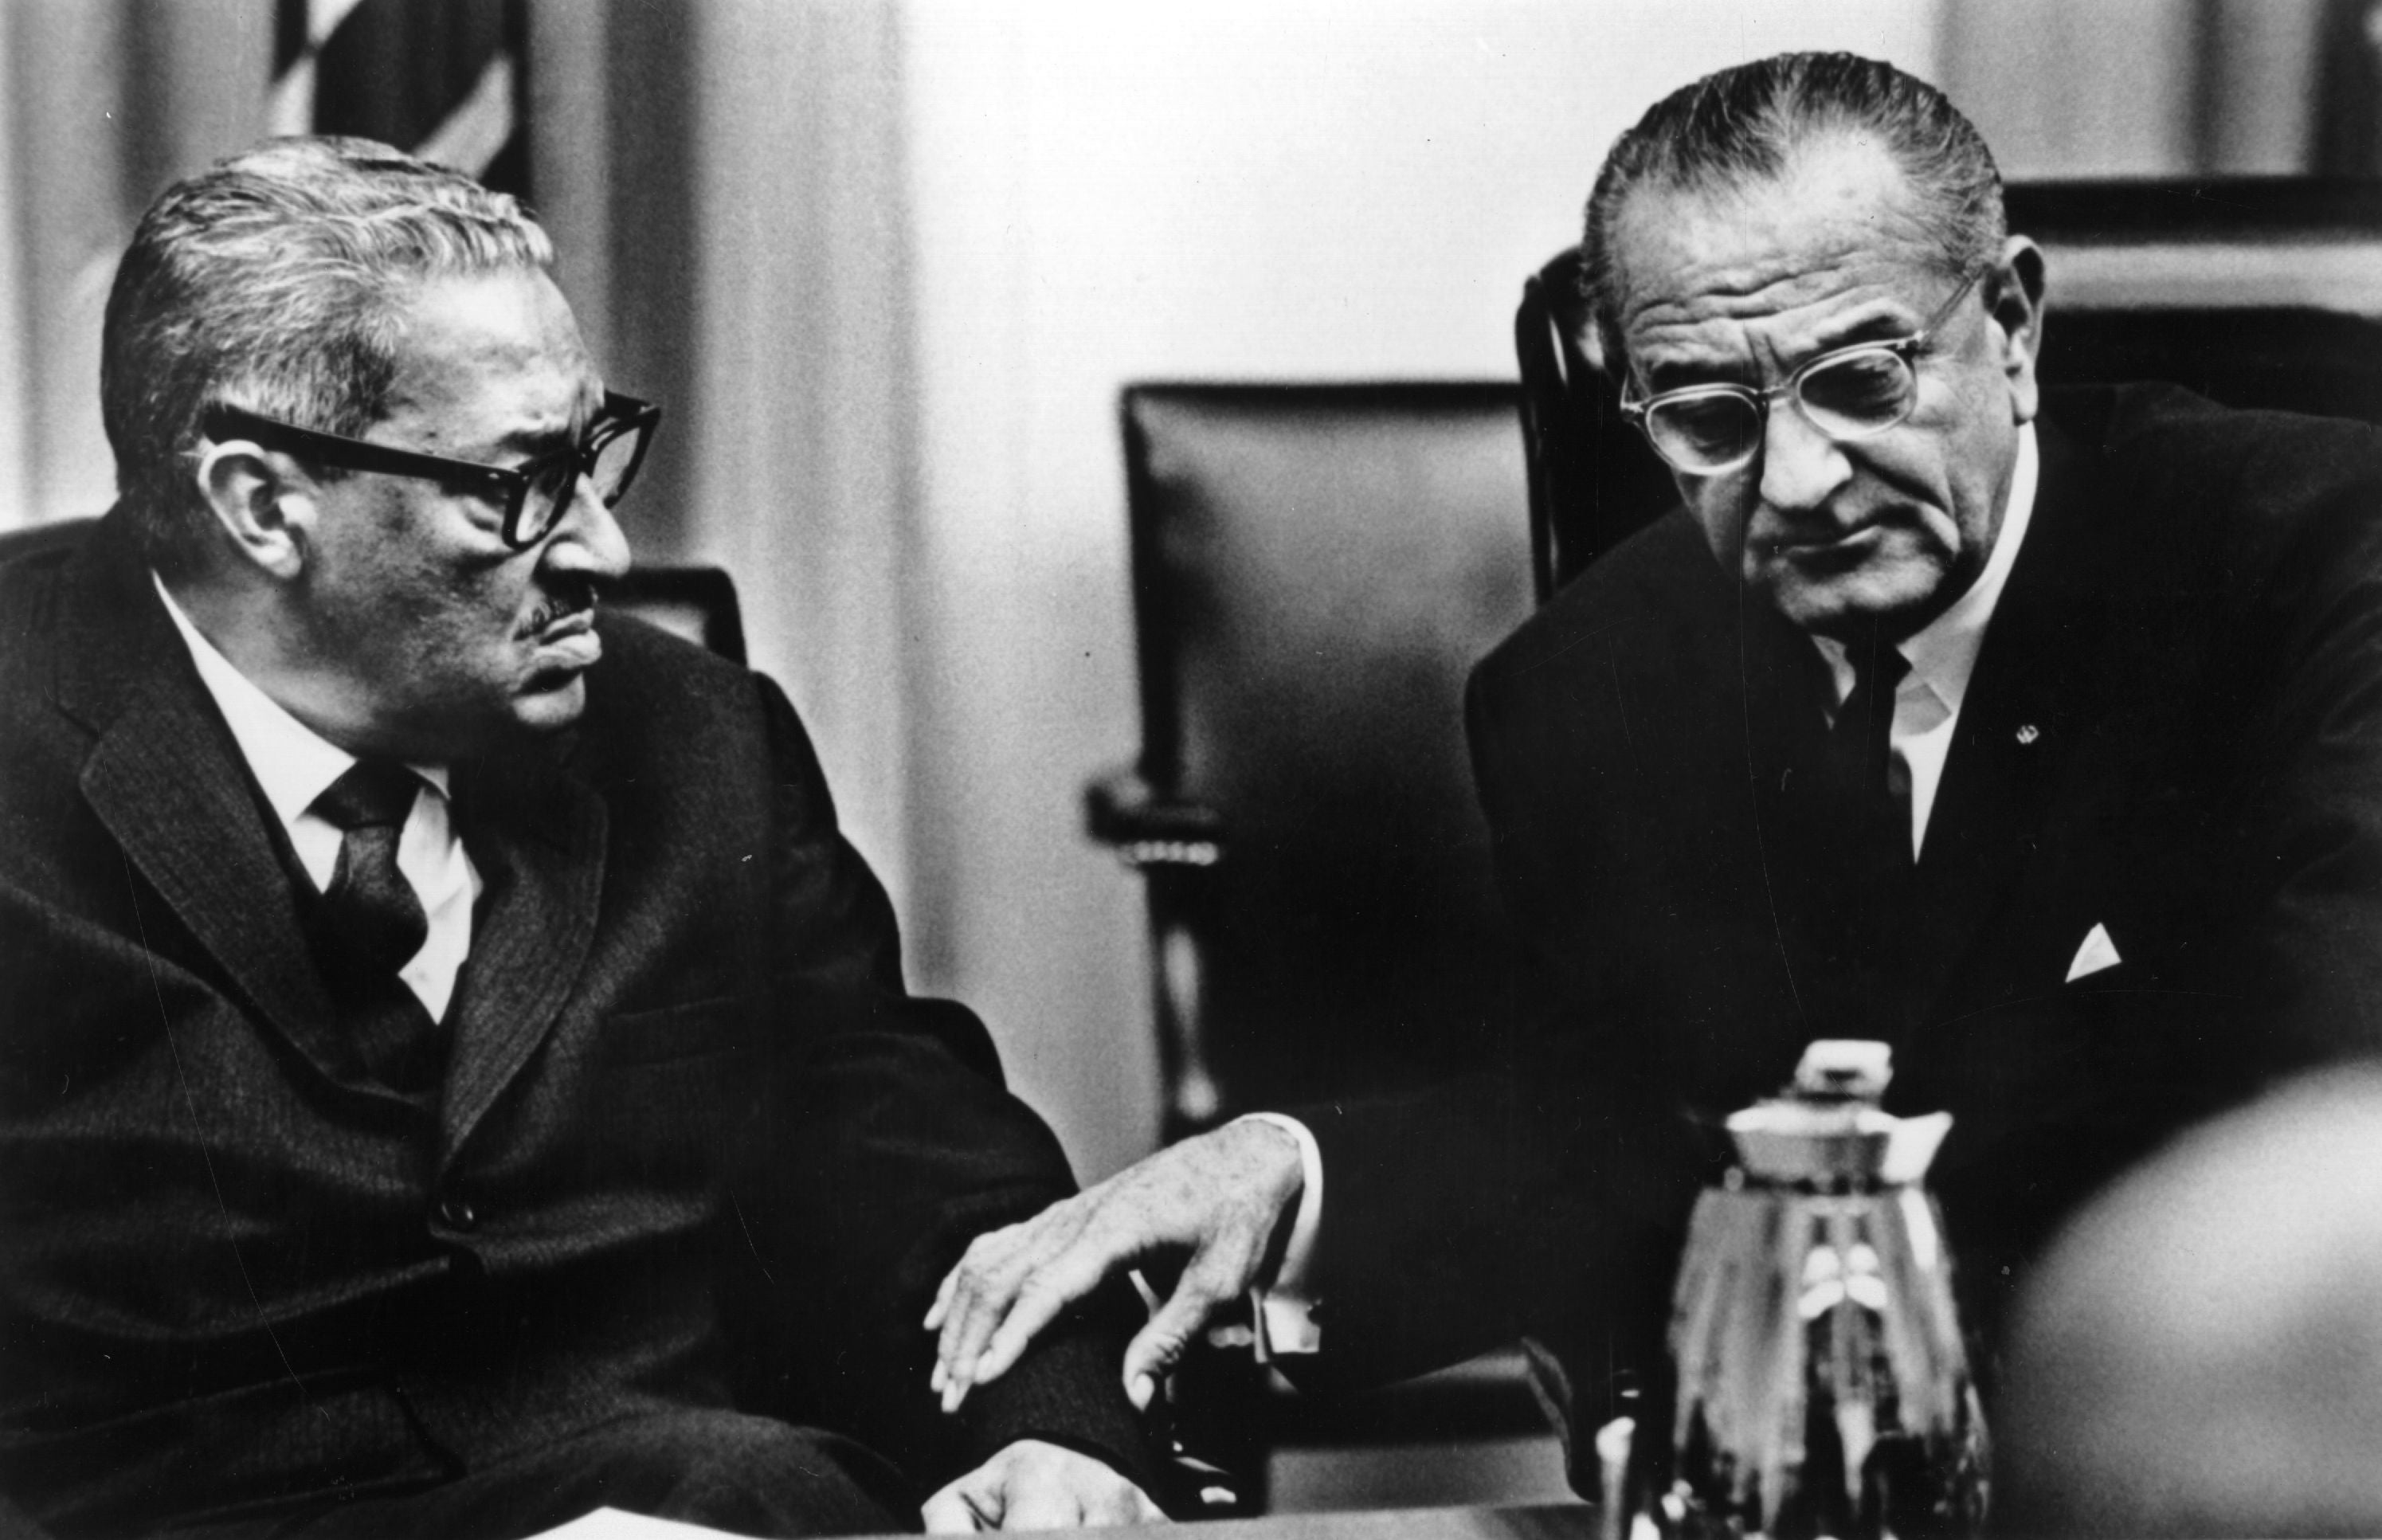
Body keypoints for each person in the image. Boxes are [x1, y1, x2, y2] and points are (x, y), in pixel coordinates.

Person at [923, 49, 2382, 1477]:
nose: (1800, 482)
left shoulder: (2323, 561)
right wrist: (1292, 1169)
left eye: (1861, 381)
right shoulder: (1583, 688)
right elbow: (1611, 1141)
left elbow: (2322, 1102)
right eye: (1708, 417)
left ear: (2008, 321)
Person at [0, 139, 1162, 1538]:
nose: (606, 556)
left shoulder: (697, 740)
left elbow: (912, 1160)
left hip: (708, 1506)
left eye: (593, 452)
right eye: (520, 484)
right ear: (263, 504)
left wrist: (1060, 1442)